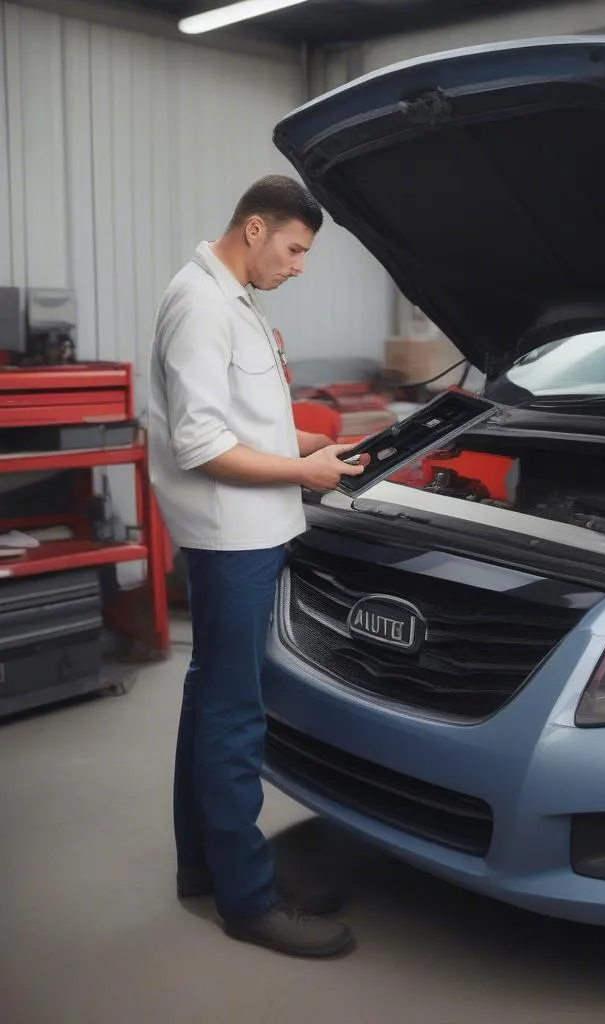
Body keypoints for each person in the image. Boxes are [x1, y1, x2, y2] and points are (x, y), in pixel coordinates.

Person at [148, 175, 364, 959]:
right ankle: (250, 899)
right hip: (229, 538)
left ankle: (206, 867)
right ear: (253, 230)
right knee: (237, 716)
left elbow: (249, 423)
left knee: (211, 699)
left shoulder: (237, 302)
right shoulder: (202, 306)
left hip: (250, 527)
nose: (300, 265)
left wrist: (314, 447)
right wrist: (305, 476)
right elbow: (203, 445)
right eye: (296, 248)